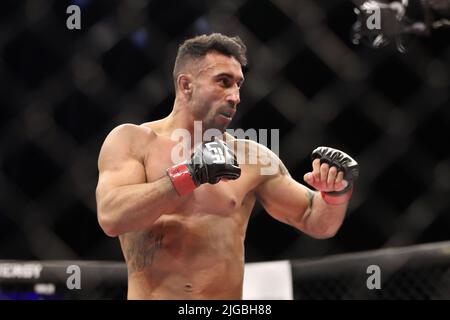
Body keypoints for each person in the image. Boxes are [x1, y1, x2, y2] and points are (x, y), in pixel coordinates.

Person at [95, 33, 359, 300]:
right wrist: (189, 174)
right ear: (186, 85)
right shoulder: (133, 141)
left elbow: (314, 219)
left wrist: (336, 193)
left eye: (238, 85)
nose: (235, 97)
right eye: (223, 82)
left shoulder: (252, 157)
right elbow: (111, 216)